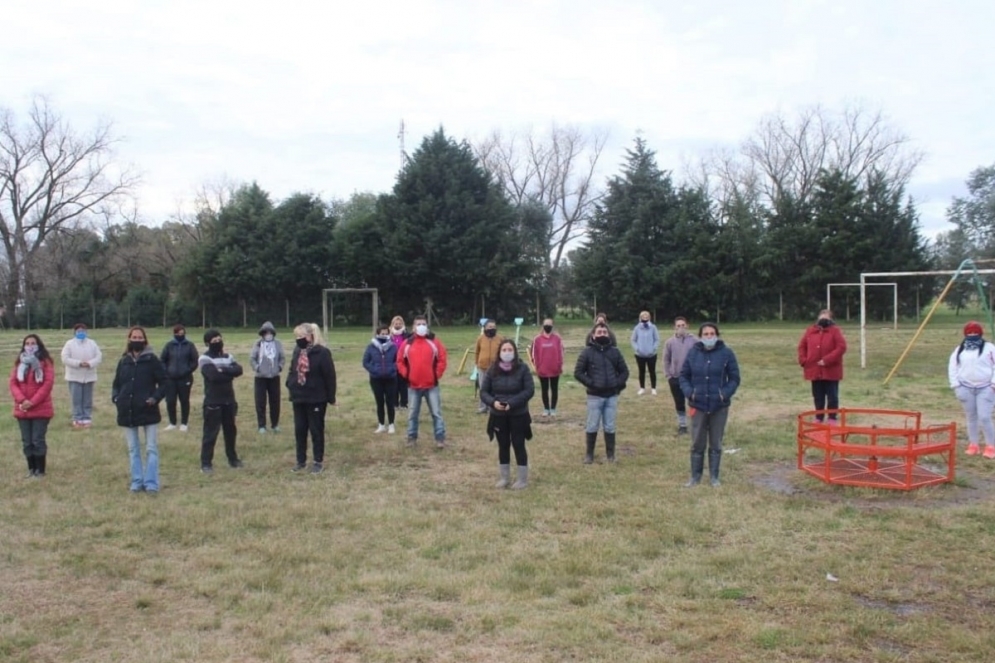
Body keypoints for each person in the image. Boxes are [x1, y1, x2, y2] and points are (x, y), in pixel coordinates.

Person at [680, 322, 740, 487]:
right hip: (698, 405)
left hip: (718, 406)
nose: (709, 336)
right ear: (700, 337)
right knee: (697, 442)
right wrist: (690, 392)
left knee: (715, 442)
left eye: (712, 333)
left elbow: (734, 378)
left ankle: (714, 477)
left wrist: (724, 393)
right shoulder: (693, 354)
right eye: (705, 334)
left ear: (717, 335)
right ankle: (695, 477)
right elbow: (683, 376)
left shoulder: (726, 353)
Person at [112, 327, 167, 493]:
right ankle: (137, 481)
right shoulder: (124, 361)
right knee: (133, 448)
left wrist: (155, 398)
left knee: (151, 447)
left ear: (144, 340)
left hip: (147, 410)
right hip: (127, 410)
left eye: (139, 337)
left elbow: (164, 382)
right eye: (134, 337)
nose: (136, 339)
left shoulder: (152, 360)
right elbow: (117, 384)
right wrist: (116, 398)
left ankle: (151, 482)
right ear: (129, 339)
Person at [481, 340, 535, 489]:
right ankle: (504, 478)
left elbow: (529, 390)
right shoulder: (492, 370)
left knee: (519, 444)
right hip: (498, 415)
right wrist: (493, 403)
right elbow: (484, 392)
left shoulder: (523, 368)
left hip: (518, 414)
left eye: (509, 349)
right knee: (503, 445)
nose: (507, 352)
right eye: (504, 350)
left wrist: (512, 403)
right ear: (499, 353)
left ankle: (522, 479)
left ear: (515, 352)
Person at [574, 323, 629, 464]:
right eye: (599, 332)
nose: (602, 334)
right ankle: (589, 455)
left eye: (604, 332)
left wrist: (616, 384)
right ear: (593, 335)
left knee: (610, 426)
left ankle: (610, 455)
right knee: (592, 425)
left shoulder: (615, 352)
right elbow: (578, 372)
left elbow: (624, 371)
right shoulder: (587, 352)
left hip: (611, 396)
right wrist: (591, 383)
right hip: (594, 396)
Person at [286, 322, 337, 473]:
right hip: (298, 397)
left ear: (310, 336)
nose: (299, 339)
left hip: (316, 398)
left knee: (316, 430)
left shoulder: (322, 353)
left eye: (301, 336)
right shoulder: (298, 351)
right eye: (297, 336)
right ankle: (300, 460)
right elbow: (292, 369)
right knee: (300, 430)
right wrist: (290, 383)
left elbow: (330, 376)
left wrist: (331, 397)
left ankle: (317, 461)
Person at [396, 314, 448, 448]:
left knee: (436, 413)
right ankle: (411, 438)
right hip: (413, 386)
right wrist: (406, 374)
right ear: (413, 327)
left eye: (423, 324)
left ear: (427, 326)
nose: (421, 326)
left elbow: (442, 358)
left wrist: (436, 374)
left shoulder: (434, 342)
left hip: (431, 385)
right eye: (418, 324)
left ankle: (440, 438)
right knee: (412, 414)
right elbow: (400, 361)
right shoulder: (407, 343)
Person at [198, 329, 244, 473]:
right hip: (213, 402)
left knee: (230, 432)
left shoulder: (228, 356)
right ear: (207, 343)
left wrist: (222, 371)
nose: (218, 342)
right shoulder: (204, 359)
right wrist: (228, 372)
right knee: (210, 434)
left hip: (229, 401)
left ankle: (233, 459)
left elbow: (239, 370)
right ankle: (206, 463)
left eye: (219, 339)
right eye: (214, 341)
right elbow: (213, 376)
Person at [9, 334, 55, 478]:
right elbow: (13, 383)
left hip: (40, 409)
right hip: (22, 409)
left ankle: (40, 471)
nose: (30, 346)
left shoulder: (45, 362)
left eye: (33, 343)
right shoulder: (19, 363)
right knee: (27, 442)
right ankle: (31, 469)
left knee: (37, 440)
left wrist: (32, 402)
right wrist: (22, 400)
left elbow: (47, 384)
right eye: (27, 343)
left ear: (38, 345)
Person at [948, 320, 995, 458]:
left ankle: (991, 445)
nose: (973, 334)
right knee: (971, 417)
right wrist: (956, 385)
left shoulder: (989, 348)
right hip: (966, 387)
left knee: (985, 417)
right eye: (970, 332)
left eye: (975, 332)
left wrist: (993, 384)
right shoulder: (960, 349)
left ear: (980, 333)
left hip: (985, 388)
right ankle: (973, 444)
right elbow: (953, 367)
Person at [797, 309, 847, 424]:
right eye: (822, 317)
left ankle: (832, 417)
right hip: (814, 369)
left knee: (832, 396)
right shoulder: (810, 331)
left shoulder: (835, 331)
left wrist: (827, 360)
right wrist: (804, 360)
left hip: (831, 370)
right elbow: (802, 346)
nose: (823, 319)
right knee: (818, 395)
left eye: (826, 317)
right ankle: (818, 417)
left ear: (831, 319)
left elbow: (841, 347)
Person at [60, 322, 102, 428]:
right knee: (76, 399)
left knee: (87, 399)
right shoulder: (69, 344)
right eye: (79, 331)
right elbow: (65, 358)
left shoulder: (92, 343)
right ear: (75, 332)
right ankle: (77, 418)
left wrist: (90, 363)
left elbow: (98, 357)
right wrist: (78, 363)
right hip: (74, 376)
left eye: (83, 331)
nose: (81, 333)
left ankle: (87, 418)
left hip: (89, 376)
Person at [159, 323, 199, 432]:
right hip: (170, 379)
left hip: (185, 378)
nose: (180, 335)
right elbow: (162, 360)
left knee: (184, 400)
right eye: (178, 333)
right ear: (174, 334)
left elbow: (194, 361)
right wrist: (166, 372)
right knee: (170, 401)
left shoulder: (190, 345)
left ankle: (184, 423)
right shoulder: (169, 346)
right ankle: (172, 423)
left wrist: (186, 371)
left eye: (182, 333)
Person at [250, 321, 285, 434]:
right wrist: (257, 368)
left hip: (274, 377)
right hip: (260, 377)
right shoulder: (258, 344)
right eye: (266, 332)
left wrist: (279, 368)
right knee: (260, 402)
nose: (268, 334)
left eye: (270, 332)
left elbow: (282, 358)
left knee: (275, 401)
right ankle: (262, 425)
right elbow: (252, 358)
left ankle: (275, 424)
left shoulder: (278, 344)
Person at [663, 317, 697, 434]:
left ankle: (696, 424)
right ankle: (682, 425)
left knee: (694, 401)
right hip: (675, 378)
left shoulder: (694, 341)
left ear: (687, 326)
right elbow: (666, 359)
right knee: (679, 402)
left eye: (683, 325)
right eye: (678, 326)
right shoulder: (669, 342)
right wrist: (668, 375)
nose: (681, 328)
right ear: (674, 327)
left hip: (691, 378)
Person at [363, 323, 398, 434]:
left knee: (390, 402)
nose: (384, 334)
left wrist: (393, 369)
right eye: (382, 333)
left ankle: (391, 424)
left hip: (390, 378)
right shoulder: (371, 347)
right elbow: (365, 362)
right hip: (376, 379)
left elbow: (398, 361)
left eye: (386, 333)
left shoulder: (393, 347)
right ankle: (381, 425)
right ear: (378, 334)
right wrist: (374, 370)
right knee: (379, 402)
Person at [530, 318, 564, 417]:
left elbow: (561, 352)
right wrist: (537, 366)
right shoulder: (537, 339)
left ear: (552, 326)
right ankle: (546, 408)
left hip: (555, 369)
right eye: (546, 324)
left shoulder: (557, 339)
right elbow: (533, 354)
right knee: (544, 389)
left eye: (549, 324)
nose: (547, 326)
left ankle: (553, 409)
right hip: (542, 369)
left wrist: (559, 365)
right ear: (543, 326)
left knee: (554, 389)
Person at [474, 319, 503, 413]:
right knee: (483, 388)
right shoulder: (480, 338)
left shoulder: (500, 339)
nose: (492, 329)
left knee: (494, 388)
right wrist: (477, 364)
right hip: (482, 367)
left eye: (494, 327)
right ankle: (483, 407)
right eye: (490, 327)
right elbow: (477, 352)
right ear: (485, 328)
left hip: (495, 368)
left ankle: (493, 407)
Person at [630, 310, 660, 396]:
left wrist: (653, 349)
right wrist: (637, 349)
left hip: (651, 355)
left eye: (647, 316)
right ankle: (642, 388)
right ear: (640, 318)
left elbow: (657, 339)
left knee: (652, 371)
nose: (645, 318)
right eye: (643, 316)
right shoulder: (637, 328)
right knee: (641, 371)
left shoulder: (653, 327)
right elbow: (633, 340)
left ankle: (653, 388)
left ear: (649, 317)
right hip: (640, 355)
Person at [389, 316, 411, 410]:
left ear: (402, 324)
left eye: (399, 323)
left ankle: (404, 403)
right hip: (392, 362)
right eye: (396, 324)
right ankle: (394, 403)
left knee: (403, 384)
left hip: (404, 362)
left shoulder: (407, 335)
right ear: (393, 324)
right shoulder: (389, 336)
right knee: (394, 384)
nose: (398, 325)